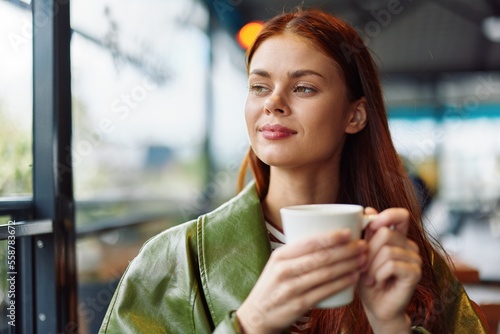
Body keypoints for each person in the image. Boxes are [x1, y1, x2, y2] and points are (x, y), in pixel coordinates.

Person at [99, 8, 489, 334]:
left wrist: (390, 324)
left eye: (303, 88)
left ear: (354, 115)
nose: (273, 103)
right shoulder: (172, 259)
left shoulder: (413, 263)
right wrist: (249, 324)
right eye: (259, 86)